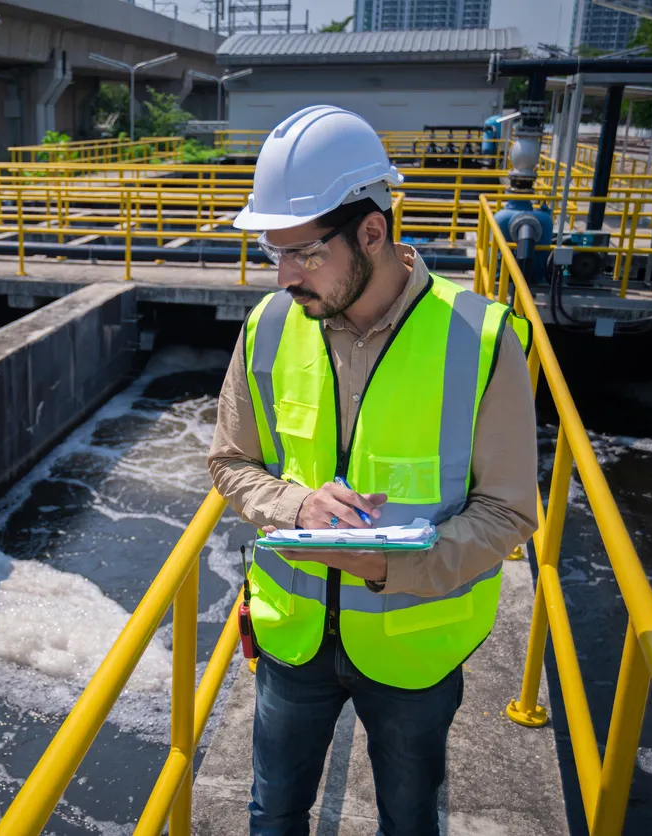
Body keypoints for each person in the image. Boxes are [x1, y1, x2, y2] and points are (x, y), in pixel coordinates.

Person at [207, 105, 540, 836]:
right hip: (293, 639)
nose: (286, 275)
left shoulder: (481, 338)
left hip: (415, 652)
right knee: (273, 815)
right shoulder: (267, 326)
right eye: (273, 252)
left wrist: (389, 569)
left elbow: (510, 511)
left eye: (305, 252)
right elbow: (231, 460)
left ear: (372, 232)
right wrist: (294, 506)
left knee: (410, 819)